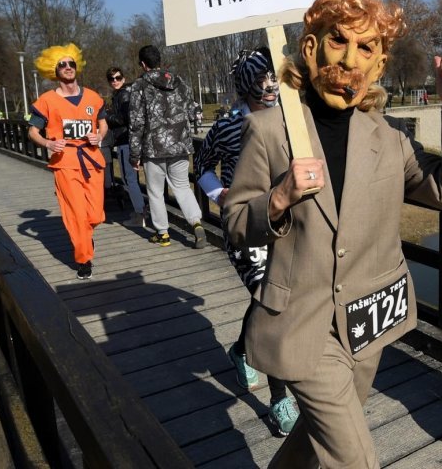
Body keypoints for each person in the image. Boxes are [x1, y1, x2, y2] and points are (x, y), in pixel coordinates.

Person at [223, 0, 442, 468]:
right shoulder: (270, 130)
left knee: (315, 439)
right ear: (311, 46)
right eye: (338, 39)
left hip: (367, 322)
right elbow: (236, 222)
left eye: (366, 46)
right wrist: (279, 197)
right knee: (353, 457)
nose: (349, 58)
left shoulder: (388, 139)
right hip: (302, 322)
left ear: (379, 62)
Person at [195, 47, 299, 436]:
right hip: (245, 230)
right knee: (271, 304)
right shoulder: (226, 127)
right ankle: (279, 399)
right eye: (260, 80)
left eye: (273, 78)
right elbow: (202, 164)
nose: (269, 86)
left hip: (285, 226)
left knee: (269, 301)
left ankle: (241, 349)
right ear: (245, 85)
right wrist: (220, 194)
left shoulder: (292, 120)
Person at [27, 43, 108, 280]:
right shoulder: (47, 100)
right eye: (61, 64)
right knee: (75, 213)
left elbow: (103, 122)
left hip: (92, 159)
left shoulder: (93, 96)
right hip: (65, 162)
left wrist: (99, 135)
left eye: (71, 63)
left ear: (77, 66)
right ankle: (83, 259)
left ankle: (85, 234)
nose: (67, 67)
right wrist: (48, 144)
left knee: (95, 215)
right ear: (54, 70)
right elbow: (32, 131)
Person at [128, 45, 206, 249]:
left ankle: (162, 233)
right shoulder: (178, 81)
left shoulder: (139, 86)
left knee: (155, 192)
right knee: (182, 187)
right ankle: (196, 222)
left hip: (153, 148)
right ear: (159, 61)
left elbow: (136, 123)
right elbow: (191, 110)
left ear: (143, 64)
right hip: (180, 145)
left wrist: (134, 155)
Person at [105, 67, 147, 226]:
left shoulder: (123, 94)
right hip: (130, 140)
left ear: (123, 78)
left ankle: (140, 214)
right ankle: (141, 210)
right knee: (131, 179)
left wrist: (106, 117)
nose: (114, 81)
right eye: (111, 78)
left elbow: (125, 119)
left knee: (128, 179)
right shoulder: (126, 92)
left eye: (117, 77)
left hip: (125, 140)